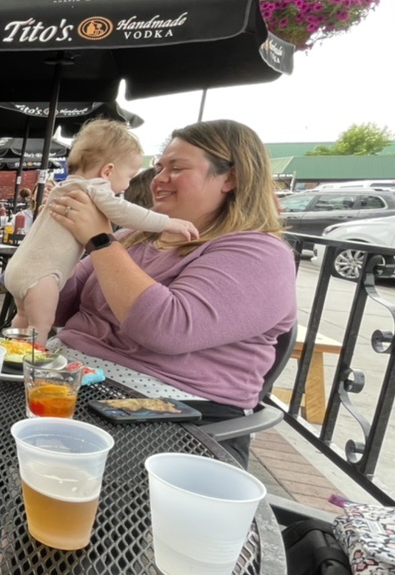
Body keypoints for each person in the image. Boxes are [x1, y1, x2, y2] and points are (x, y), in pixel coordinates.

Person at [47, 119, 297, 466]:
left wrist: (99, 240)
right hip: (74, 379)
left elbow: (167, 329)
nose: (159, 179)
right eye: (159, 167)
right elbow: (59, 309)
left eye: (177, 168)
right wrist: (54, 249)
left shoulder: (258, 253)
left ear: (232, 178)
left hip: (174, 412)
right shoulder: (134, 238)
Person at [6, 119, 198, 339]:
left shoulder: (64, 187)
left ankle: (10, 359)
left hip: (18, 270)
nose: (127, 185)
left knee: (22, 319)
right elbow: (124, 212)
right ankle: (26, 369)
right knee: (39, 327)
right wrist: (168, 222)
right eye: (128, 177)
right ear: (107, 171)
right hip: (42, 278)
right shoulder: (94, 187)